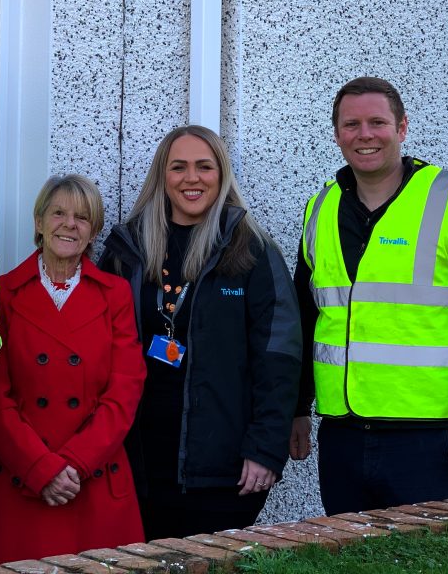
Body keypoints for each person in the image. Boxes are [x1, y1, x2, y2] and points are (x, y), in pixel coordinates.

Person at [290, 76, 448, 515]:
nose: (364, 135)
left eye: (377, 122)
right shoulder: (320, 209)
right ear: (337, 133)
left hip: (430, 440)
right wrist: (297, 407)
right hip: (341, 435)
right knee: (351, 559)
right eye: (351, 124)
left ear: (402, 128)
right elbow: (304, 319)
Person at [100, 125, 302, 540]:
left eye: (204, 167)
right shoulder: (127, 249)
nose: (192, 178)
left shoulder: (253, 251)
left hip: (222, 468)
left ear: (221, 174)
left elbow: (279, 358)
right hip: (138, 460)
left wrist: (265, 449)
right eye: (179, 167)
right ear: (163, 175)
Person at [0, 174, 146, 565]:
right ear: (39, 222)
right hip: (23, 480)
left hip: (94, 480)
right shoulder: (3, 294)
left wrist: (75, 464)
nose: (69, 224)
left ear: (94, 232)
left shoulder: (115, 295)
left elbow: (125, 390)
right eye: (58, 213)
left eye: (82, 218)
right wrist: (40, 468)